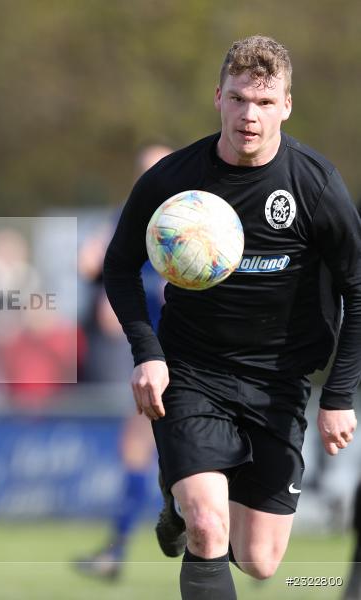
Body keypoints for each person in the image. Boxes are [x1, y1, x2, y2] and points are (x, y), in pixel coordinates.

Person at [103, 36, 359, 599]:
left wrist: (339, 395)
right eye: (240, 99)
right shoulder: (173, 178)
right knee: (207, 526)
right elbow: (118, 266)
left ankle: (180, 490)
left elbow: (357, 290)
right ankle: (188, 496)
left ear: (287, 106)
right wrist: (147, 353)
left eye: (265, 103)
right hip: (193, 372)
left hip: (279, 383)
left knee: (260, 560)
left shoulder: (314, 185)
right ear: (218, 97)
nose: (250, 115)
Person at [74, 145, 172, 581]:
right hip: (151, 351)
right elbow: (90, 264)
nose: (149, 178)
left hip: (187, 347)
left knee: (158, 449)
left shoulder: (189, 216)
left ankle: (124, 546)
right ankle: (118, 549)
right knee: (139, 446)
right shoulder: (126, 217)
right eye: (144, 170)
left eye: (157, 168)